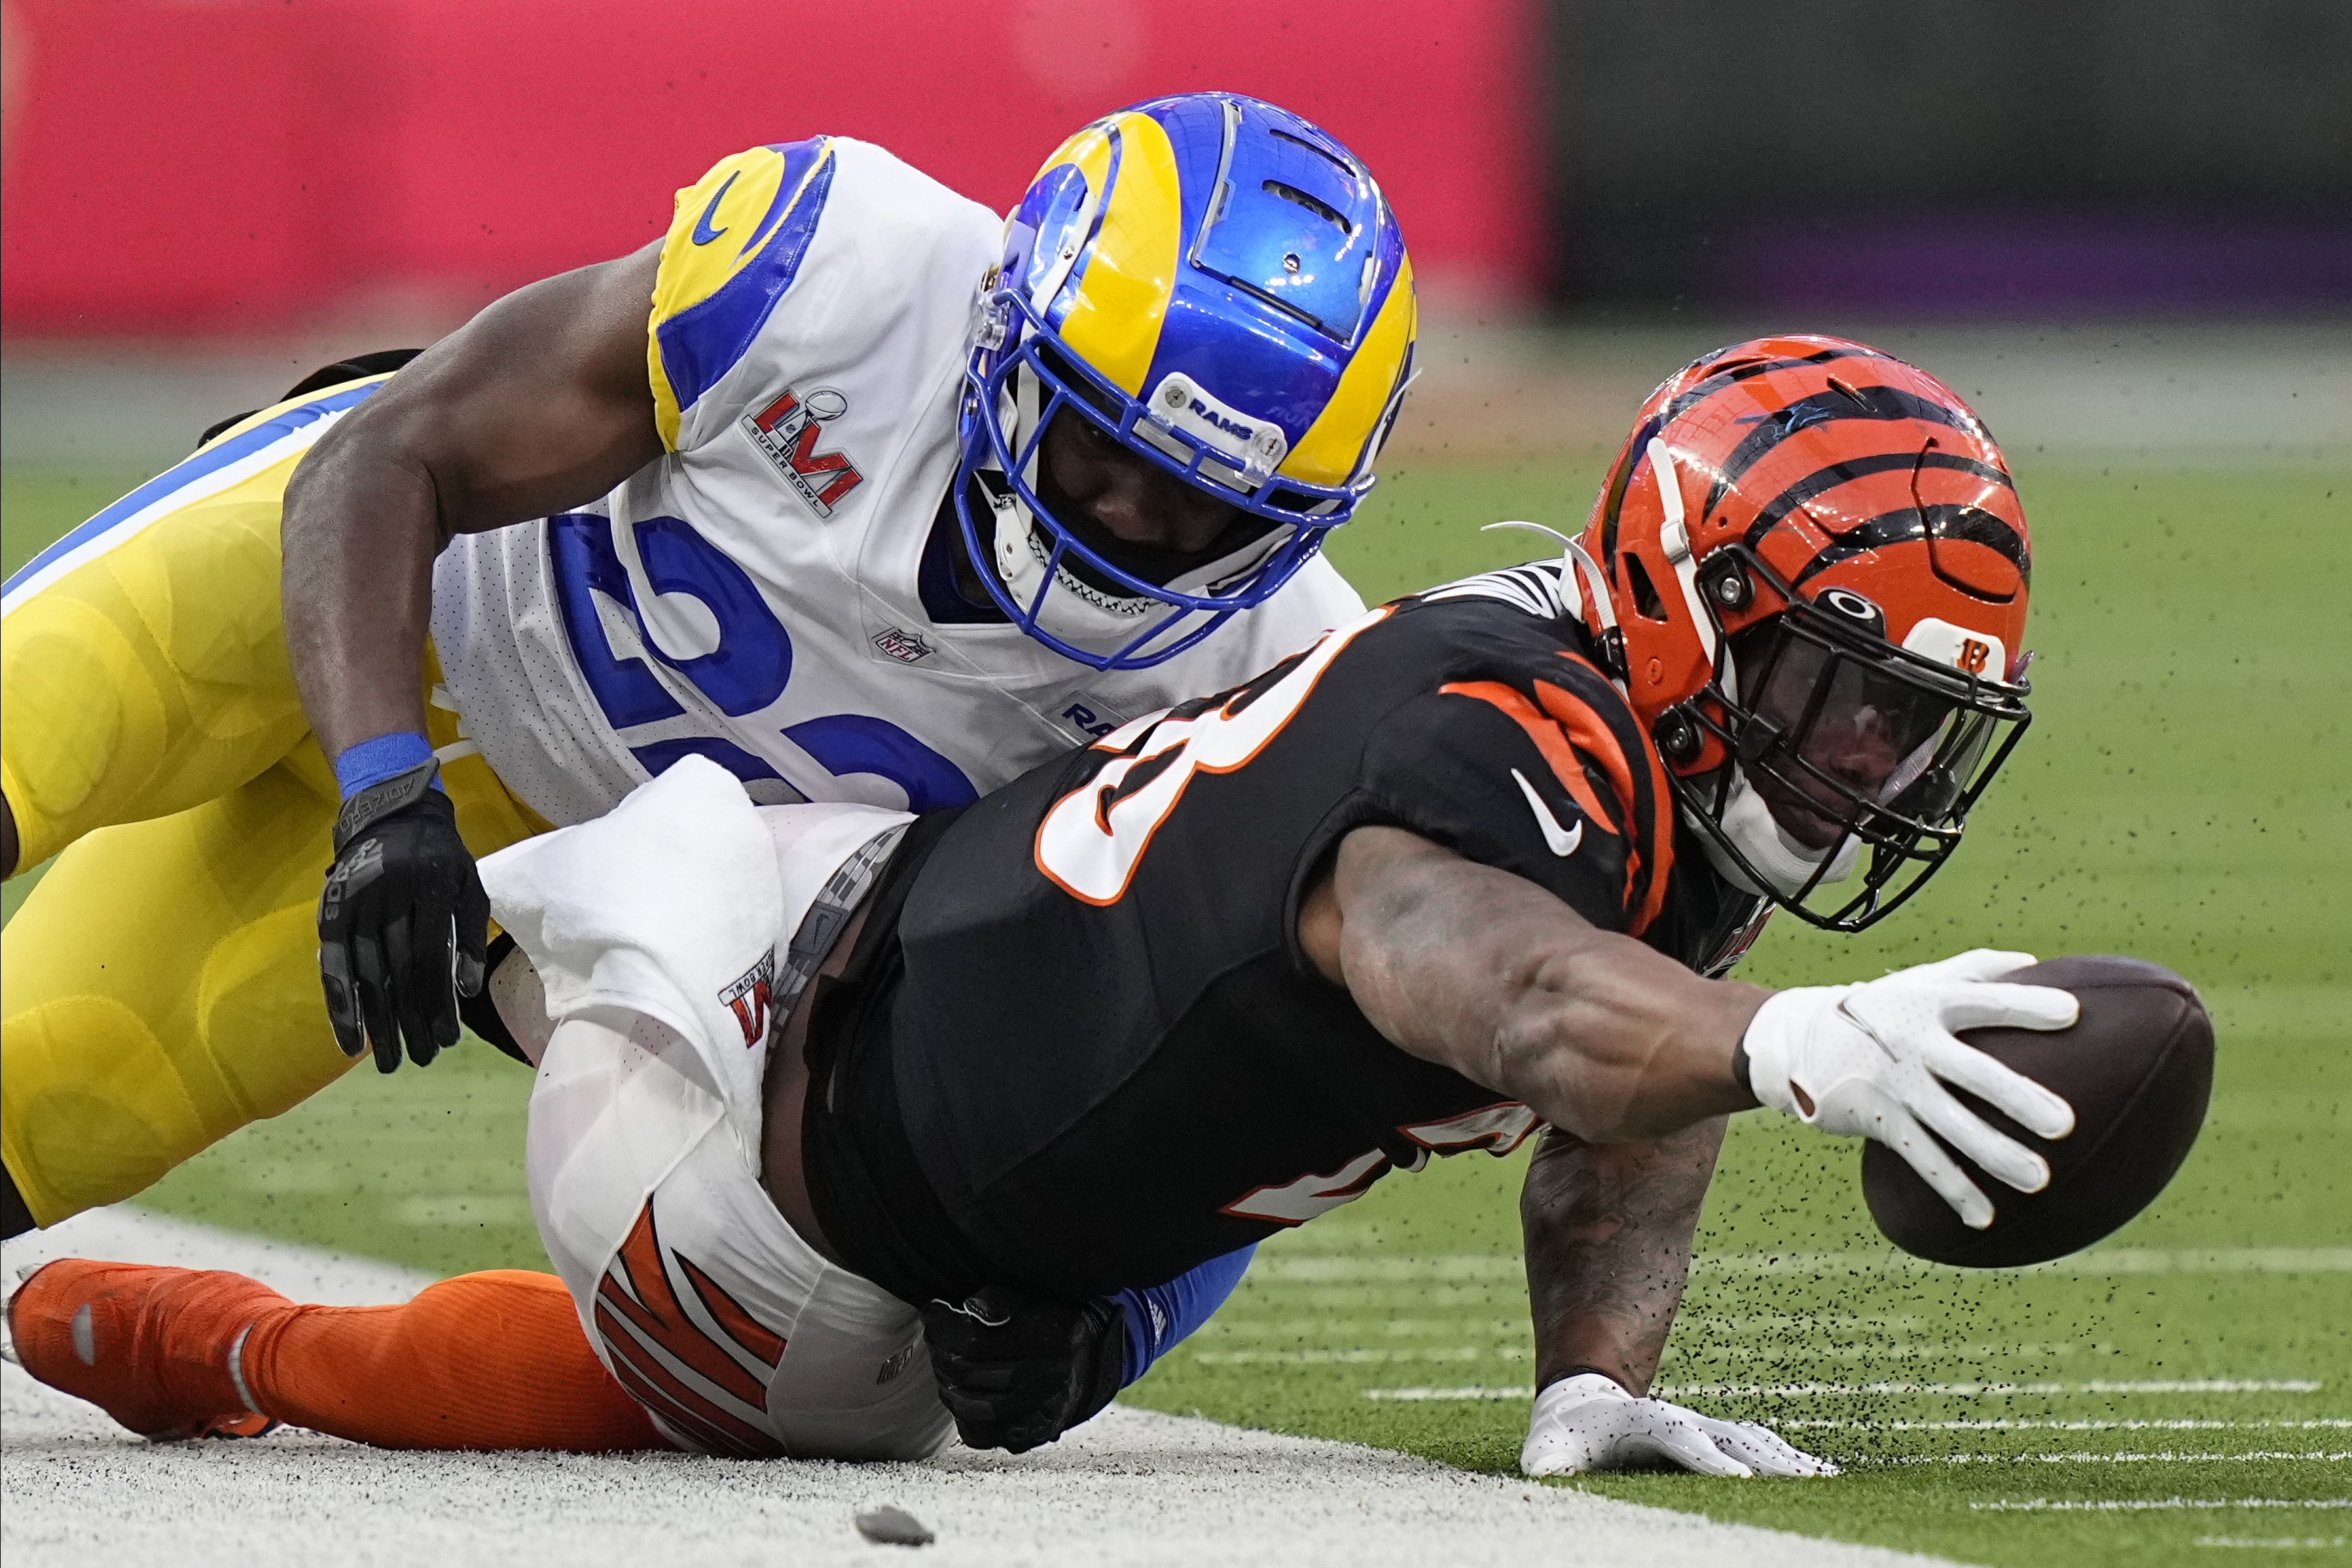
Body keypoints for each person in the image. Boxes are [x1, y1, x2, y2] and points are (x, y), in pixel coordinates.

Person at [7, 338, 2074, 1480]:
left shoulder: (1604, 773)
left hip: (825, 1113)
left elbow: (1606, 1046)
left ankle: (255, 1305)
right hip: (762, 1020)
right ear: (1694, 611)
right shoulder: (1487, 736)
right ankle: (453, 985)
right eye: (1838, 696)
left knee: (775, 1359)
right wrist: (1782, 1043)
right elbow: (1511, 986)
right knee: (701, 859)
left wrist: (1595, 1370)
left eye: (1905, 729)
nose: (1867, 768)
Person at [0, 91, 1407, 1237]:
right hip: (366, 604)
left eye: (1211, 506)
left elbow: (1222, 1077)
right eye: (1102, 443)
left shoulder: (1268, 678)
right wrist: (380, 787)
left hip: (531, 855)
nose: (1129, 523)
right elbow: (391, 454)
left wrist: (1113, 1303)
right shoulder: (848, 276)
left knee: (59, 1102)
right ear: (1006, 333)